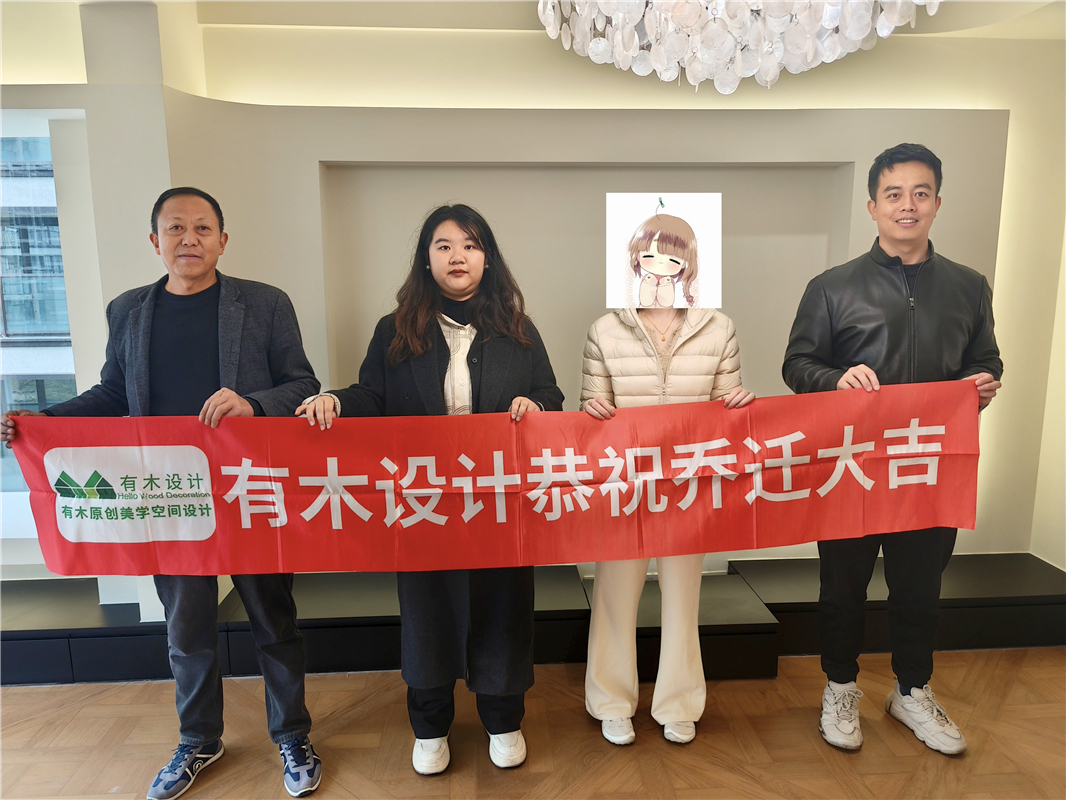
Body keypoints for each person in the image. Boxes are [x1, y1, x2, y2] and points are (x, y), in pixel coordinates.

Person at [1, 187, 324, 799]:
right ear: (155, 241)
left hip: (249, 488)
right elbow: (113, 394)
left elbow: (303, 384)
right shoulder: (128, 310)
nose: (189, 239)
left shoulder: (265, 303)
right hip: (171, 494)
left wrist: (252, 404)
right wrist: (43, 422)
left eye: (202, 228)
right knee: (186, 630)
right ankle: (199, 740)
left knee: (273, 621)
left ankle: (292, 735)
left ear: (223, 240)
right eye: (175, 228)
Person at [297, 204, 563, 775]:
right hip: (425, 501)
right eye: (443, 246)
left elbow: (551, 395)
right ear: (426, 259)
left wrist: (536, 405)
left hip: (497, 502)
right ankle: (430, 723)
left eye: (469, 245)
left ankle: (503, 718)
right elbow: (372, 396)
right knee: (427, 613)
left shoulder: (518, 329)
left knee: (503, 607)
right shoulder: (395, 330)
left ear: (487, 258)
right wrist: (336, 400)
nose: (457, 256)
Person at [782, 143, 1003, 756]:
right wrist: (835, 380)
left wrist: (983, 383)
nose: (908, 205)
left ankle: (911, 690)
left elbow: (986, 359)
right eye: (895, 194)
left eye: (920, 193)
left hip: (928, 465)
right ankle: (840, 687)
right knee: (842, 586)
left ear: (937, 203)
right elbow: (797, 364)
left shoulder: (968, 287)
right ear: (873, 206)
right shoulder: (832, 287)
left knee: (919, 586)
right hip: (850, 466)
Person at [580, 218, 754, 746]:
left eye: (672, 258)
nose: (660, 267)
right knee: (614, 593)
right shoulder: (604, 329)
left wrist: (737, 403)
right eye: (649, 256)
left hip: (688, 482)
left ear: (690, 264)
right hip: (625, 480)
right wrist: (592, 408)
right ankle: (612, 701)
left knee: (683, 595)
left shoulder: (718, 327)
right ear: (633, 261)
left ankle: (678, 702)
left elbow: (725, 406)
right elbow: (592, 408)